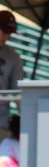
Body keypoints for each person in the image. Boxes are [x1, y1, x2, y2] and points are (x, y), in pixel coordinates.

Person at [0, 10, 22, 140]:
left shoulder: (14, 58)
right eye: (3, 31)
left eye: (9, 33)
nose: (6, 36)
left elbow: (18, 93)